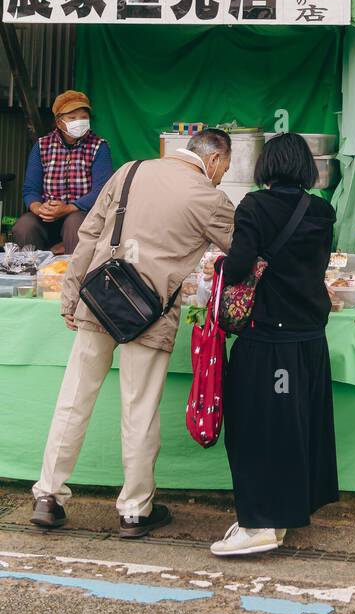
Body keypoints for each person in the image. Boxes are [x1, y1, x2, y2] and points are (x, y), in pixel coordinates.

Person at [31, 128, 235, 538]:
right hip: (151, 312)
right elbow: (243, 249)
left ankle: (48, 497)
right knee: (139, 408)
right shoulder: (209, 198)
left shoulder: (129, 170)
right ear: (213, 160)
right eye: (224, 169)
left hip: (99, 296)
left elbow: (88, 235)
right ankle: (134, 511)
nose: (221, 177)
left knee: (74, 397)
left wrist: (71, 296)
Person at [211, 133, 338, 558]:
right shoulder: (321, 211)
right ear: (305, 167)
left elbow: (240, 265)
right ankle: (279, 515)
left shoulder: (254, 206)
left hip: (268, 341)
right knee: (297, 427)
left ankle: (261, 522)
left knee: (256, 428)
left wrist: (221, 266)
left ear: (266, 166)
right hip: (309, 339)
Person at [13, 90, 113, 254]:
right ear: (59, 123)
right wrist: (39, 208)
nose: (79, 121)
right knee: (24, 226)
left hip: (81, 214)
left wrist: (68, 208)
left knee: (74, 224)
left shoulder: (99, 147)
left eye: (83, 117)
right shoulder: (42, 146)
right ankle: (30, 274)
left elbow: (101, 191)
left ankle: (74, 277)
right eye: (72, 118)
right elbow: (30, 189)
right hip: (47, 217)